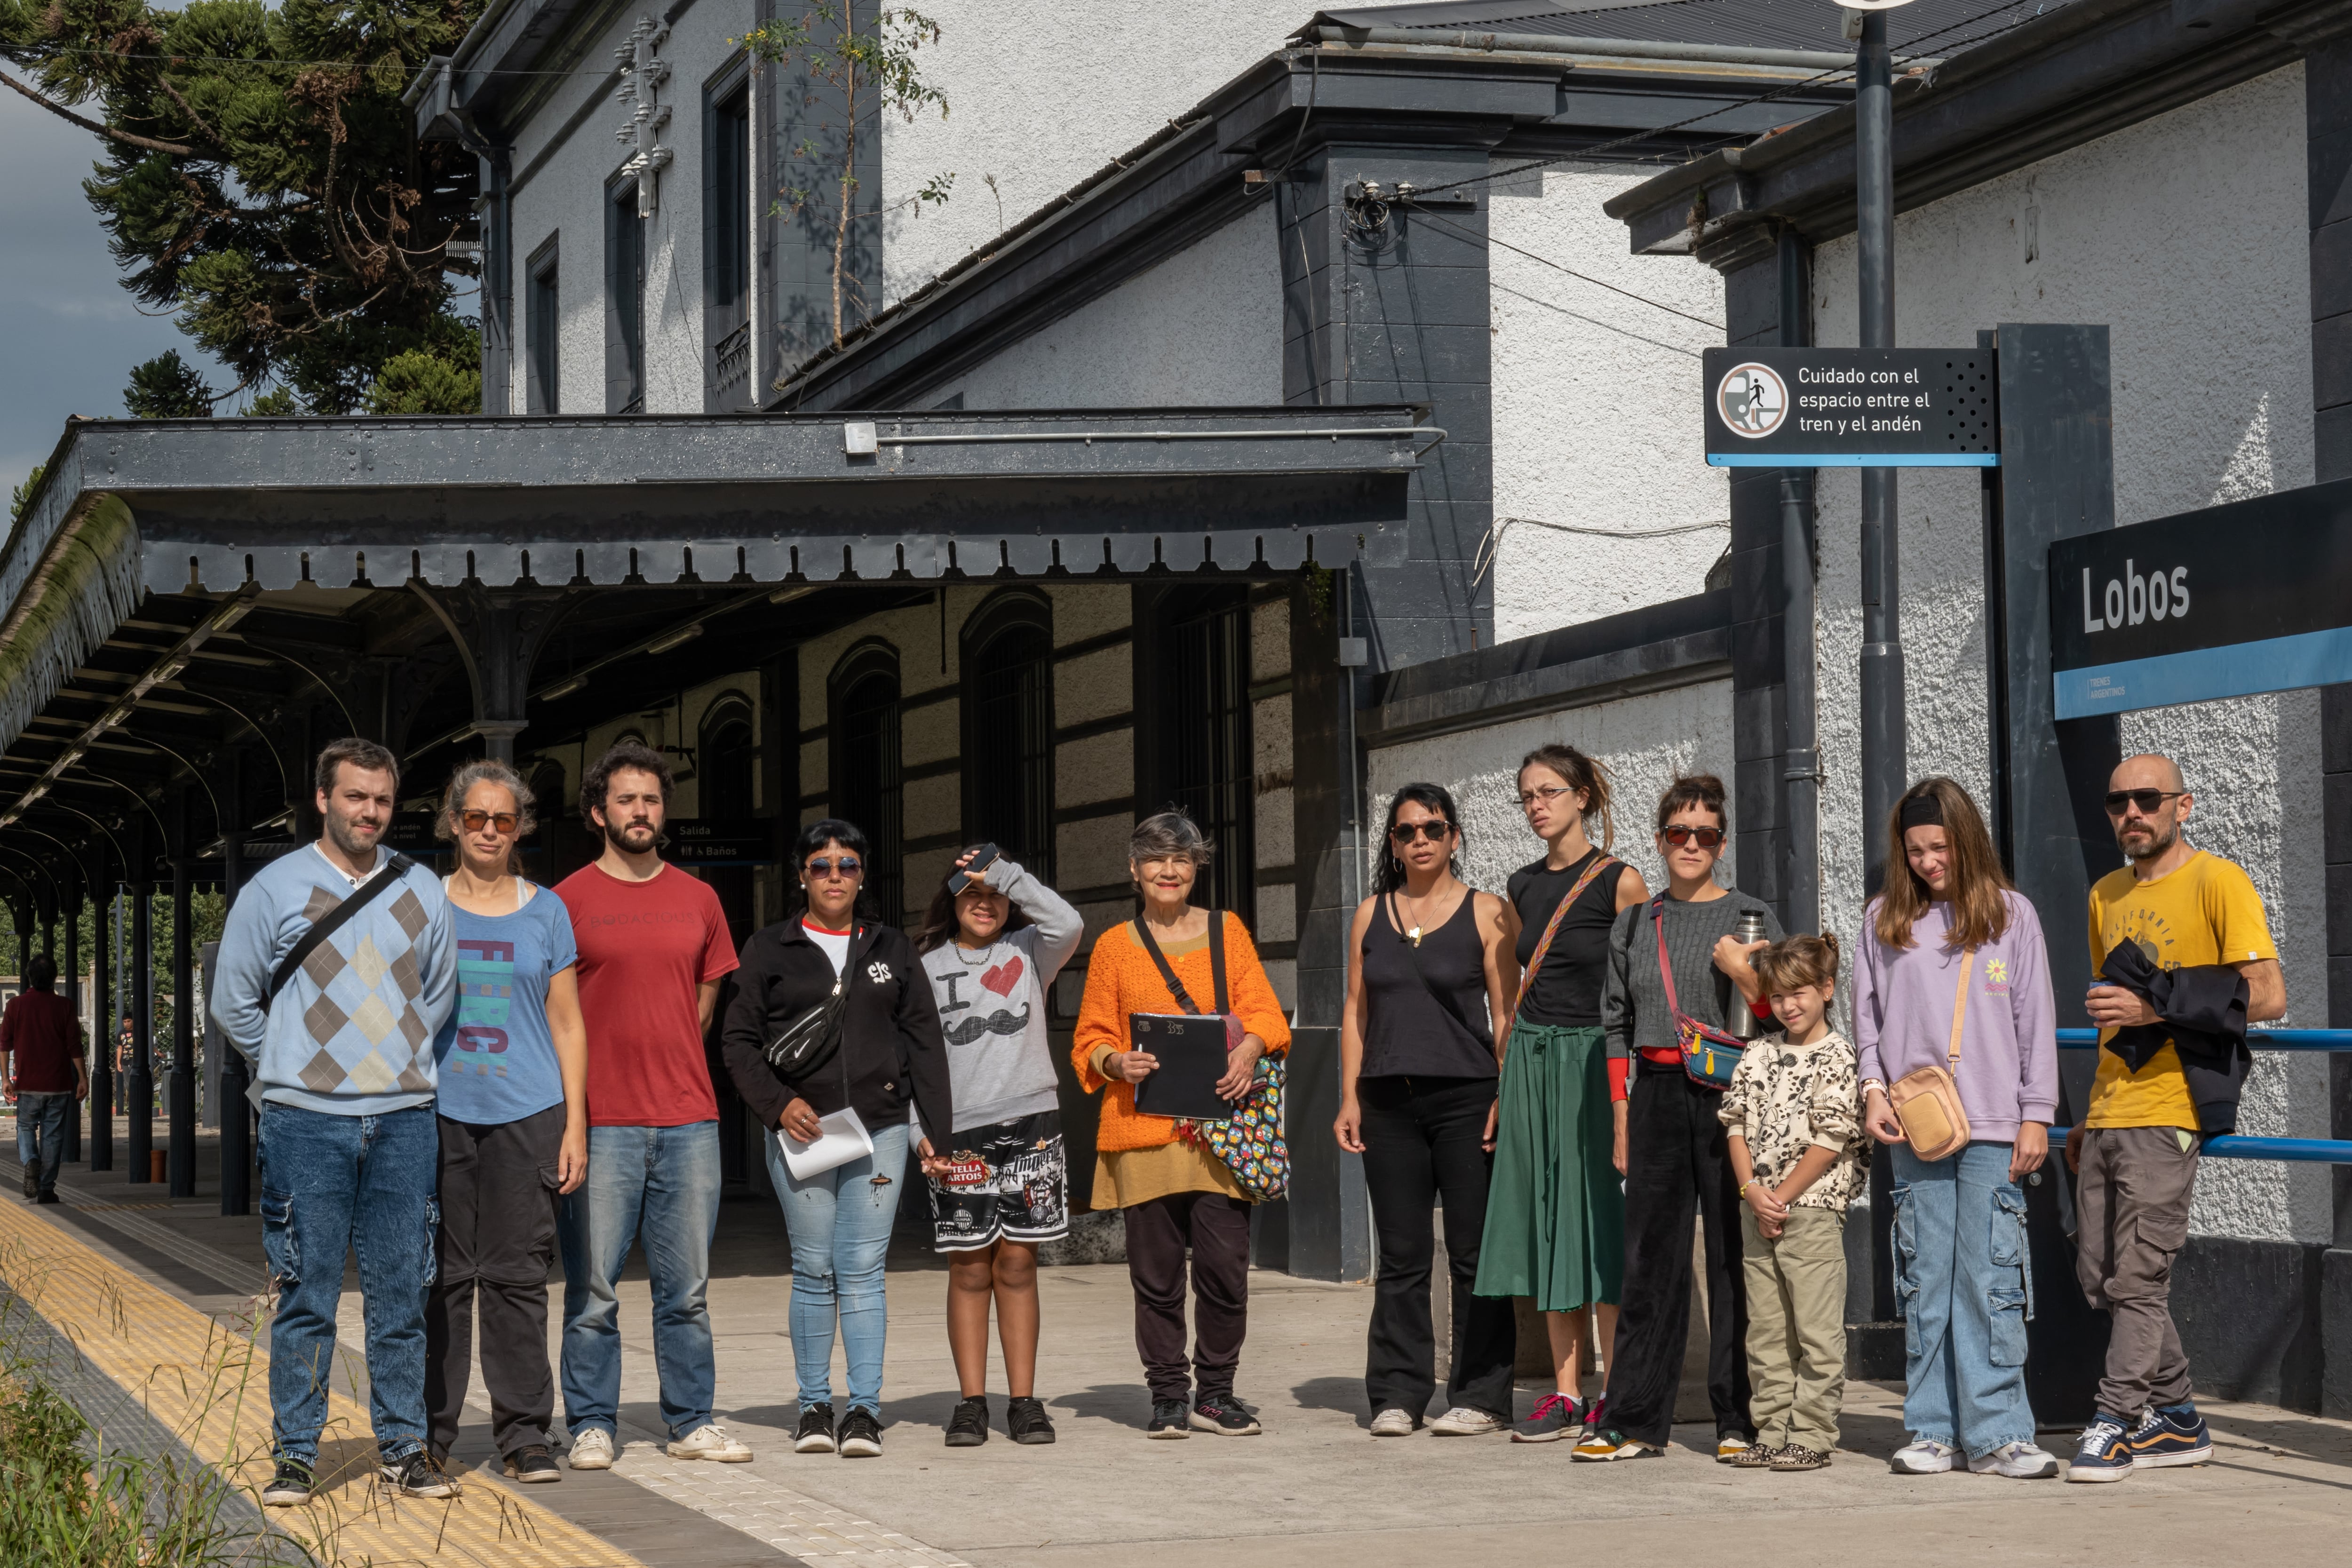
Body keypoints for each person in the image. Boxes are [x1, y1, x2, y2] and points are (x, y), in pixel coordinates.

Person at [211, 737, 459, 1505]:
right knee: (305, 1294)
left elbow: (439, 999)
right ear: (323, 799)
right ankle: (294, 1454)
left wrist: (392, 1067)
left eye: (382, 799)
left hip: (403, 1121)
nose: (369, 811)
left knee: (401, 1295)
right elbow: (233, 1002)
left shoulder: (423, 889)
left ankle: (405, 1447)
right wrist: (287, 1068)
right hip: (304, 1122)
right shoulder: (274, 888)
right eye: (356, 797)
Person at [2065, 754, 2284, 1482]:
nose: (2133, 812)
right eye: (2119, 801)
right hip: (2110, 1107)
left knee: (2140, 1279)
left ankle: (2117, 1418)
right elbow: (2108, 1017)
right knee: (2100, 1277)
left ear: (2182, 806)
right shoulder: (2104, 894)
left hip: (2173, 1107)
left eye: (2148, 799)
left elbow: (2268, 994)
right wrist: (2088, 1118)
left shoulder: (2220, 881)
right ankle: (2181, 1417)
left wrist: (2158, 1004)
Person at [721, 820, 952, 1459]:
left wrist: (933, 1127)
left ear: (862, 875)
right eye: (820, 866)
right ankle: (815, 1406)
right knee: (814, 1268)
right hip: (803, 1132)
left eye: (846, 865)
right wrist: (778, 1103)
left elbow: (925, 1043)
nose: (833, 876)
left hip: (878, 1130)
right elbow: (737, 1043)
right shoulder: (770, 949)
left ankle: (865, 1412)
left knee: (863, 1270)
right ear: (801, 876)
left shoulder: (891, 948)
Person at [1854, 776, 2063, 1479]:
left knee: (1992, 1277)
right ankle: (1934, 1429)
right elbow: (1867, 1021)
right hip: (1916, 1126)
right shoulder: (1885, 918)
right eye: (1915, 849)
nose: (1927, 861)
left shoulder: (2012, 915)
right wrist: (1872, 1090)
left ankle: (2000, 1431)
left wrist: (2038, 1114)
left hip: (1998, 1123)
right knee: (1926, 1280)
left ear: (1965, 839)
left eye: (1939, 846)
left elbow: (2036, 1024)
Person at [1575, 773, 1779, 1463]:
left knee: (1733, 1258)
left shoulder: (1752, 916)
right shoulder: (1637, 922)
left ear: (1722, 842)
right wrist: (1622, 1115)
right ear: (1661, 838)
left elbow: (1792, 1012)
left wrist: (1743, 971)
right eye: (1679, 832)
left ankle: (1737, 1418)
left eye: (1706, 834)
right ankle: (1632, 1417)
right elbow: (1614, 1024)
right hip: (1657, 1089)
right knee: (1649, 1262)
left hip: (1734, 1098)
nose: (1692, 844)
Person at [556, 740, 747, 1470]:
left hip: (690, 1121)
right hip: (600, 1122)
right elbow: (557, 1011)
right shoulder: (566, 901)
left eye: (653, 800)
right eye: (627, 800)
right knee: (594, 1288)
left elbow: (703, 1001)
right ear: (598, 812)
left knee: (687, 1291)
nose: (642, 811)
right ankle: (593, 1423)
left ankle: (692, 1420)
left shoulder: (699, 898)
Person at [1074, 810, 1291, 1439]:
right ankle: (1169, 1393)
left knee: (1225, 1271)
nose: (1169, 870)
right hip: (1145, 1133)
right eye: (1155, 859)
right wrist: (1117, 1060)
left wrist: (1249, 1050)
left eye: (1182, 859)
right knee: (1157, 1279)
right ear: (1134, 871)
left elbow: (1267, 1016)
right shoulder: (1116, 944)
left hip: (1221, 1133)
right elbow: (1089, 1036)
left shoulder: (1228, 931)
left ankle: (1216, 1393)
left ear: (1197, 868)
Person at [1476, 744, 1649, 1442]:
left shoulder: (1620, 881)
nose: (1536, 805)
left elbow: (1640, 993)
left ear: (1583, 796)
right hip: (1531, 1064)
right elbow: (1515, 995)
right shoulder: (1519, 887)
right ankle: (1566, 1393)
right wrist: (1503, 1083)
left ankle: (1616, 1387)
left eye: (1549, 792)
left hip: (1592, 1061)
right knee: (1546, 1222)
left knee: (1596, 1222)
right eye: (1527, 796)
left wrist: (1629, 1095)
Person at [1336, 783, 1519, 1438]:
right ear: (1392, 842)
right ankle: (1398, 1393)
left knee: (1474, 1254)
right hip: (1387, 1100)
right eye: (1407, 830)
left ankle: (1481, 1395)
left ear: (1455, 837)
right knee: (1404, 1255)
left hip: (1468, 1099)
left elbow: (1508, 1014)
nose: (1421, 839)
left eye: (1434, 828)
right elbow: (1355, 1014)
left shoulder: (1487, 911)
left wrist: (1507, 1093)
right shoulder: (1369, 915)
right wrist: (1349, 1095)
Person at [423, 761, 588, 1484]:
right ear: (453, 822)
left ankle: (525, 1434)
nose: (490, 830)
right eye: (476, 818)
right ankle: (428, 1432)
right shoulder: (422, 904)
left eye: (504, 819)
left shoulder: (546, 909)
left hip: (530, 1112)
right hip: (438, 1111)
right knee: (442, 1278)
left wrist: (575, 1123)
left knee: (520, 1276)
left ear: (520, 827)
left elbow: (567, 1021)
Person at [911, 846, 1083, 1447]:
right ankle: (970, 1402)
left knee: (1017, 1264)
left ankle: (1024, 1401)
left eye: (994, 895)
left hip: (1033, 1123)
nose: (983, 904)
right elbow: (909, 1062)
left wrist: (1004, 872)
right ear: (951, 902)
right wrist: (918, 1131)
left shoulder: (1029, 953)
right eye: (970, 894)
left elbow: (1069, 923)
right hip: (958, 1134)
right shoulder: (925, 967)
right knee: (968, 1269)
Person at [1720, 934, 1867, 1473]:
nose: (1787, 1005)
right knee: (1765, 1333)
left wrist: (1779, 1198)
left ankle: (1811, 1433)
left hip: (1809, 1211)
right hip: (1756, 1209)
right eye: (1777, 996)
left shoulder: (1840, 1056)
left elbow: (1830, 1139)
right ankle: (1771, 1430)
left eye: (1799, 992)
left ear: (1826, 990)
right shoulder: (1758, 1052)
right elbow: (1734, 1124)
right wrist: (1751, 1193)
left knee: (1815, 1331)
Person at [3, 953, 88, 1203]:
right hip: (59, 1084)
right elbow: (75, 1046)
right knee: (53, 1135)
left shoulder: (15, 1006)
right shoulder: (65, 1006)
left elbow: (4, 1044)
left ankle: (31, 1160)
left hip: (28, 1083)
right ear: (54, 978)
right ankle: (47, 1189)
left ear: (30, 978)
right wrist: (83, 1078)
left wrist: (6, 1078)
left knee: (25, 1127)